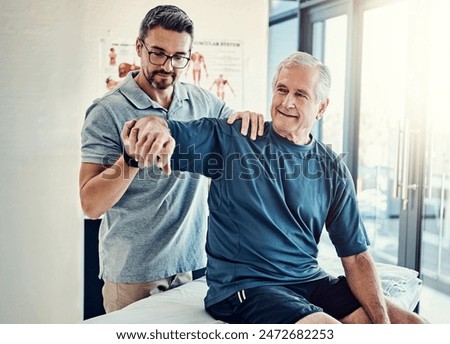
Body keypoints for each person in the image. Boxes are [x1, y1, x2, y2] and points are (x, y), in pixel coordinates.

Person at [124, 51, 428, 324]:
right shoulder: (235, 137)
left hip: (308, 280)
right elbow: (165, 128)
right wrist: (153, 125)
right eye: (281, 89)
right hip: (244, 286)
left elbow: (356, 257)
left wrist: (383, 327)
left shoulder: (332, 167)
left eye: (301, 95)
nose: (287, 102)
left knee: (411, 325)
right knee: (325, 330)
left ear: (321, 107)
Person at [79, 5, 263, 313]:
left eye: (179, 57)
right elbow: (90, 204)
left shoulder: (201, 100)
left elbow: (236, 135)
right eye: (158, 53)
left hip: (192, 267)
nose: (168, 66)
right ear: (139, 47)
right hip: (132, 277)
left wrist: (248, 119)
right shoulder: (107, 112)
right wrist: (131, 161)